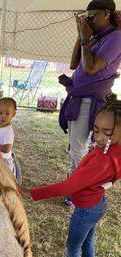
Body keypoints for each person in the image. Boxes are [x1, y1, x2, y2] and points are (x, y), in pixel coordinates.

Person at [30, 95, 121, 257]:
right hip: (98, 205)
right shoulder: (115, 151)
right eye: (96, 130)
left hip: (85, 209)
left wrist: (34, 193)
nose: (99, 137)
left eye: (107, 133)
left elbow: (69, 186)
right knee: (88, 243)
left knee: (73, 248)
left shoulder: (102, 159)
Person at [59, 0, 121, 206]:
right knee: (77, 147)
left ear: (106, 14)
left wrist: (86, 38)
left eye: (91, 17)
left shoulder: (116, 37)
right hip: (81, 98)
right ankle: (76, 187)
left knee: (78, 148)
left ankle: (83, 190)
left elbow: (92, 68)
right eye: (86, 18)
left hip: (90, 100)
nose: (88, 21)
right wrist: (81, 35)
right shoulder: (96, 37)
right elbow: (75, 63)